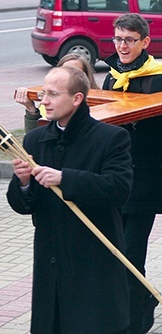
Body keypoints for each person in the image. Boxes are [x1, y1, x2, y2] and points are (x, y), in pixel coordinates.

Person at [7, 66, 133, 334]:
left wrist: (65, 178)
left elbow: (118, 188)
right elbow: (21, 204)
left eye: (53, 94)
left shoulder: (111, 138)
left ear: (77, 98)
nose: (44, 101)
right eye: (43, 93)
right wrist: (24, 182)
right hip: (51, 263)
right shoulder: (35, 140)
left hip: (93, 262)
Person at [102, 13, 162, 334]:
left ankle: (135, 324)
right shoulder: (111, 77)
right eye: (118, 39)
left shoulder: (159, 79)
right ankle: (143, 299)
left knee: (131, 257)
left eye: (129, 40)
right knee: (114, 256)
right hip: (114, 182)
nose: (122, 46)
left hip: (143, 182)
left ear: (145, 42)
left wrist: (135, 122)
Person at [14, 53, 99, 133]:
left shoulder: (99, 102)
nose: (45, 101)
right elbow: (38, 139)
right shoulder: (47, 102)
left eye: (75, 72)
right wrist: (31, 110)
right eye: (65, 72)